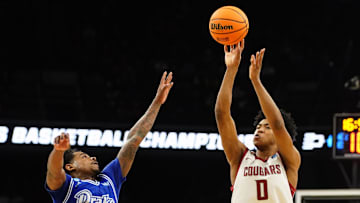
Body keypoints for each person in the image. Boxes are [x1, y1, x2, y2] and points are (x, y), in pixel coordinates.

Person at [45, 71, 174, 203]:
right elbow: (53, 172)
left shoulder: (109, 178)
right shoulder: (67, 187)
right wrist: (59, 151)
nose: (93, 157)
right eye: (84, 156)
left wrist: (157, 102)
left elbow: (133, 140)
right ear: (70, 167)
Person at [214, 39, 301, 202]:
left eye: (266, 127)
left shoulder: (288, 160)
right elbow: (221, 114)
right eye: (259, 126)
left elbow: (278, 124)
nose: (259, 129)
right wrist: (231, 70)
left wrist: (256, 81)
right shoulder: (239, 157)